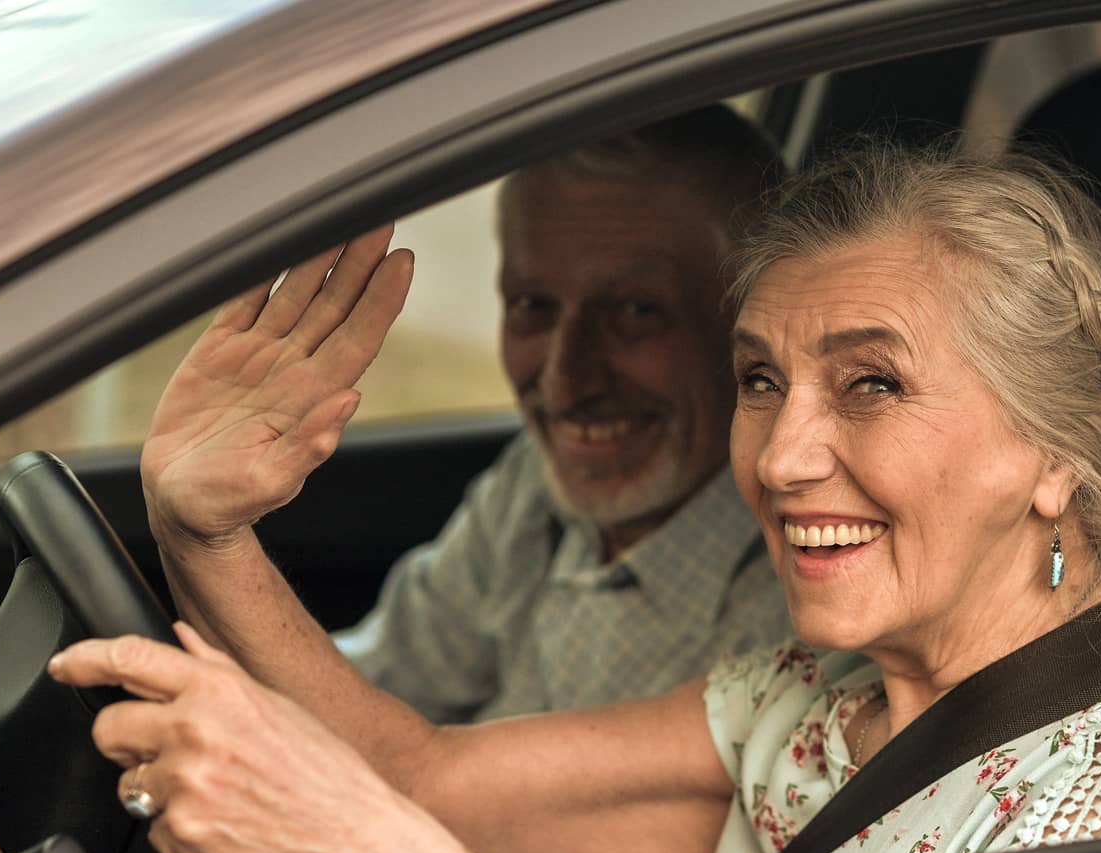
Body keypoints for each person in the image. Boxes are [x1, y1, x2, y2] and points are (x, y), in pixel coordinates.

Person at [51, 142, 1101, 853]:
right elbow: (428, 788)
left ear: (1053, 453)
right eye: (762, 379)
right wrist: (202, 528)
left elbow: (396, 829)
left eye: (867, 384)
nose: (775, 458)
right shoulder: (817, 703)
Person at [141, 105, 791, 726]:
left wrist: (207, 538)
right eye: (533, 305)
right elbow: (369, 686)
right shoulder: (534, 488)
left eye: (635, 312)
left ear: (753, 328)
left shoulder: (798, 592)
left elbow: (432, 783)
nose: (566, 379)